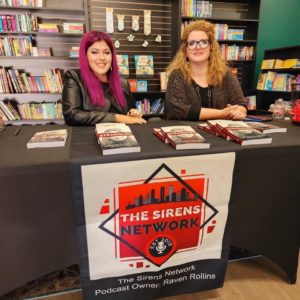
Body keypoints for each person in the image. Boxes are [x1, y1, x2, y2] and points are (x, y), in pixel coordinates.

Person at [165, 20, 247, 121]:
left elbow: (241, 104)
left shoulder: (225, 73)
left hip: (220, 134)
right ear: (185, 50)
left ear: (211, 47)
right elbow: (179, 110)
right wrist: (223, 113)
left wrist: (239, 111)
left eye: (203, 42)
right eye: (192, 43)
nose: (198, 47)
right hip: (189, 133)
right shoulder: (177, 75)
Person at [62, 31, 146, 125]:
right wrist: (117, 118)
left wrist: (133, 113)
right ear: (85, 55)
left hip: (121, 136)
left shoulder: (123, 83)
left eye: (106, 52)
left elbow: (130, 110)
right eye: (94, 52)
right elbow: (71, 115)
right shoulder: (74, 77)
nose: (102, 57)